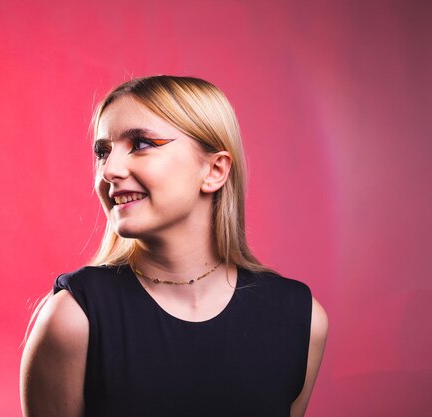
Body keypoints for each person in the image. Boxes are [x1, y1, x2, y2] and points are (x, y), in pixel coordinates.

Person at [19, 75, 328, 417]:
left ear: (214, 170)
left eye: (141, 144)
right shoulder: (73, 319)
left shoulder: (301, 319)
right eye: (102, 151)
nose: (110, 170)